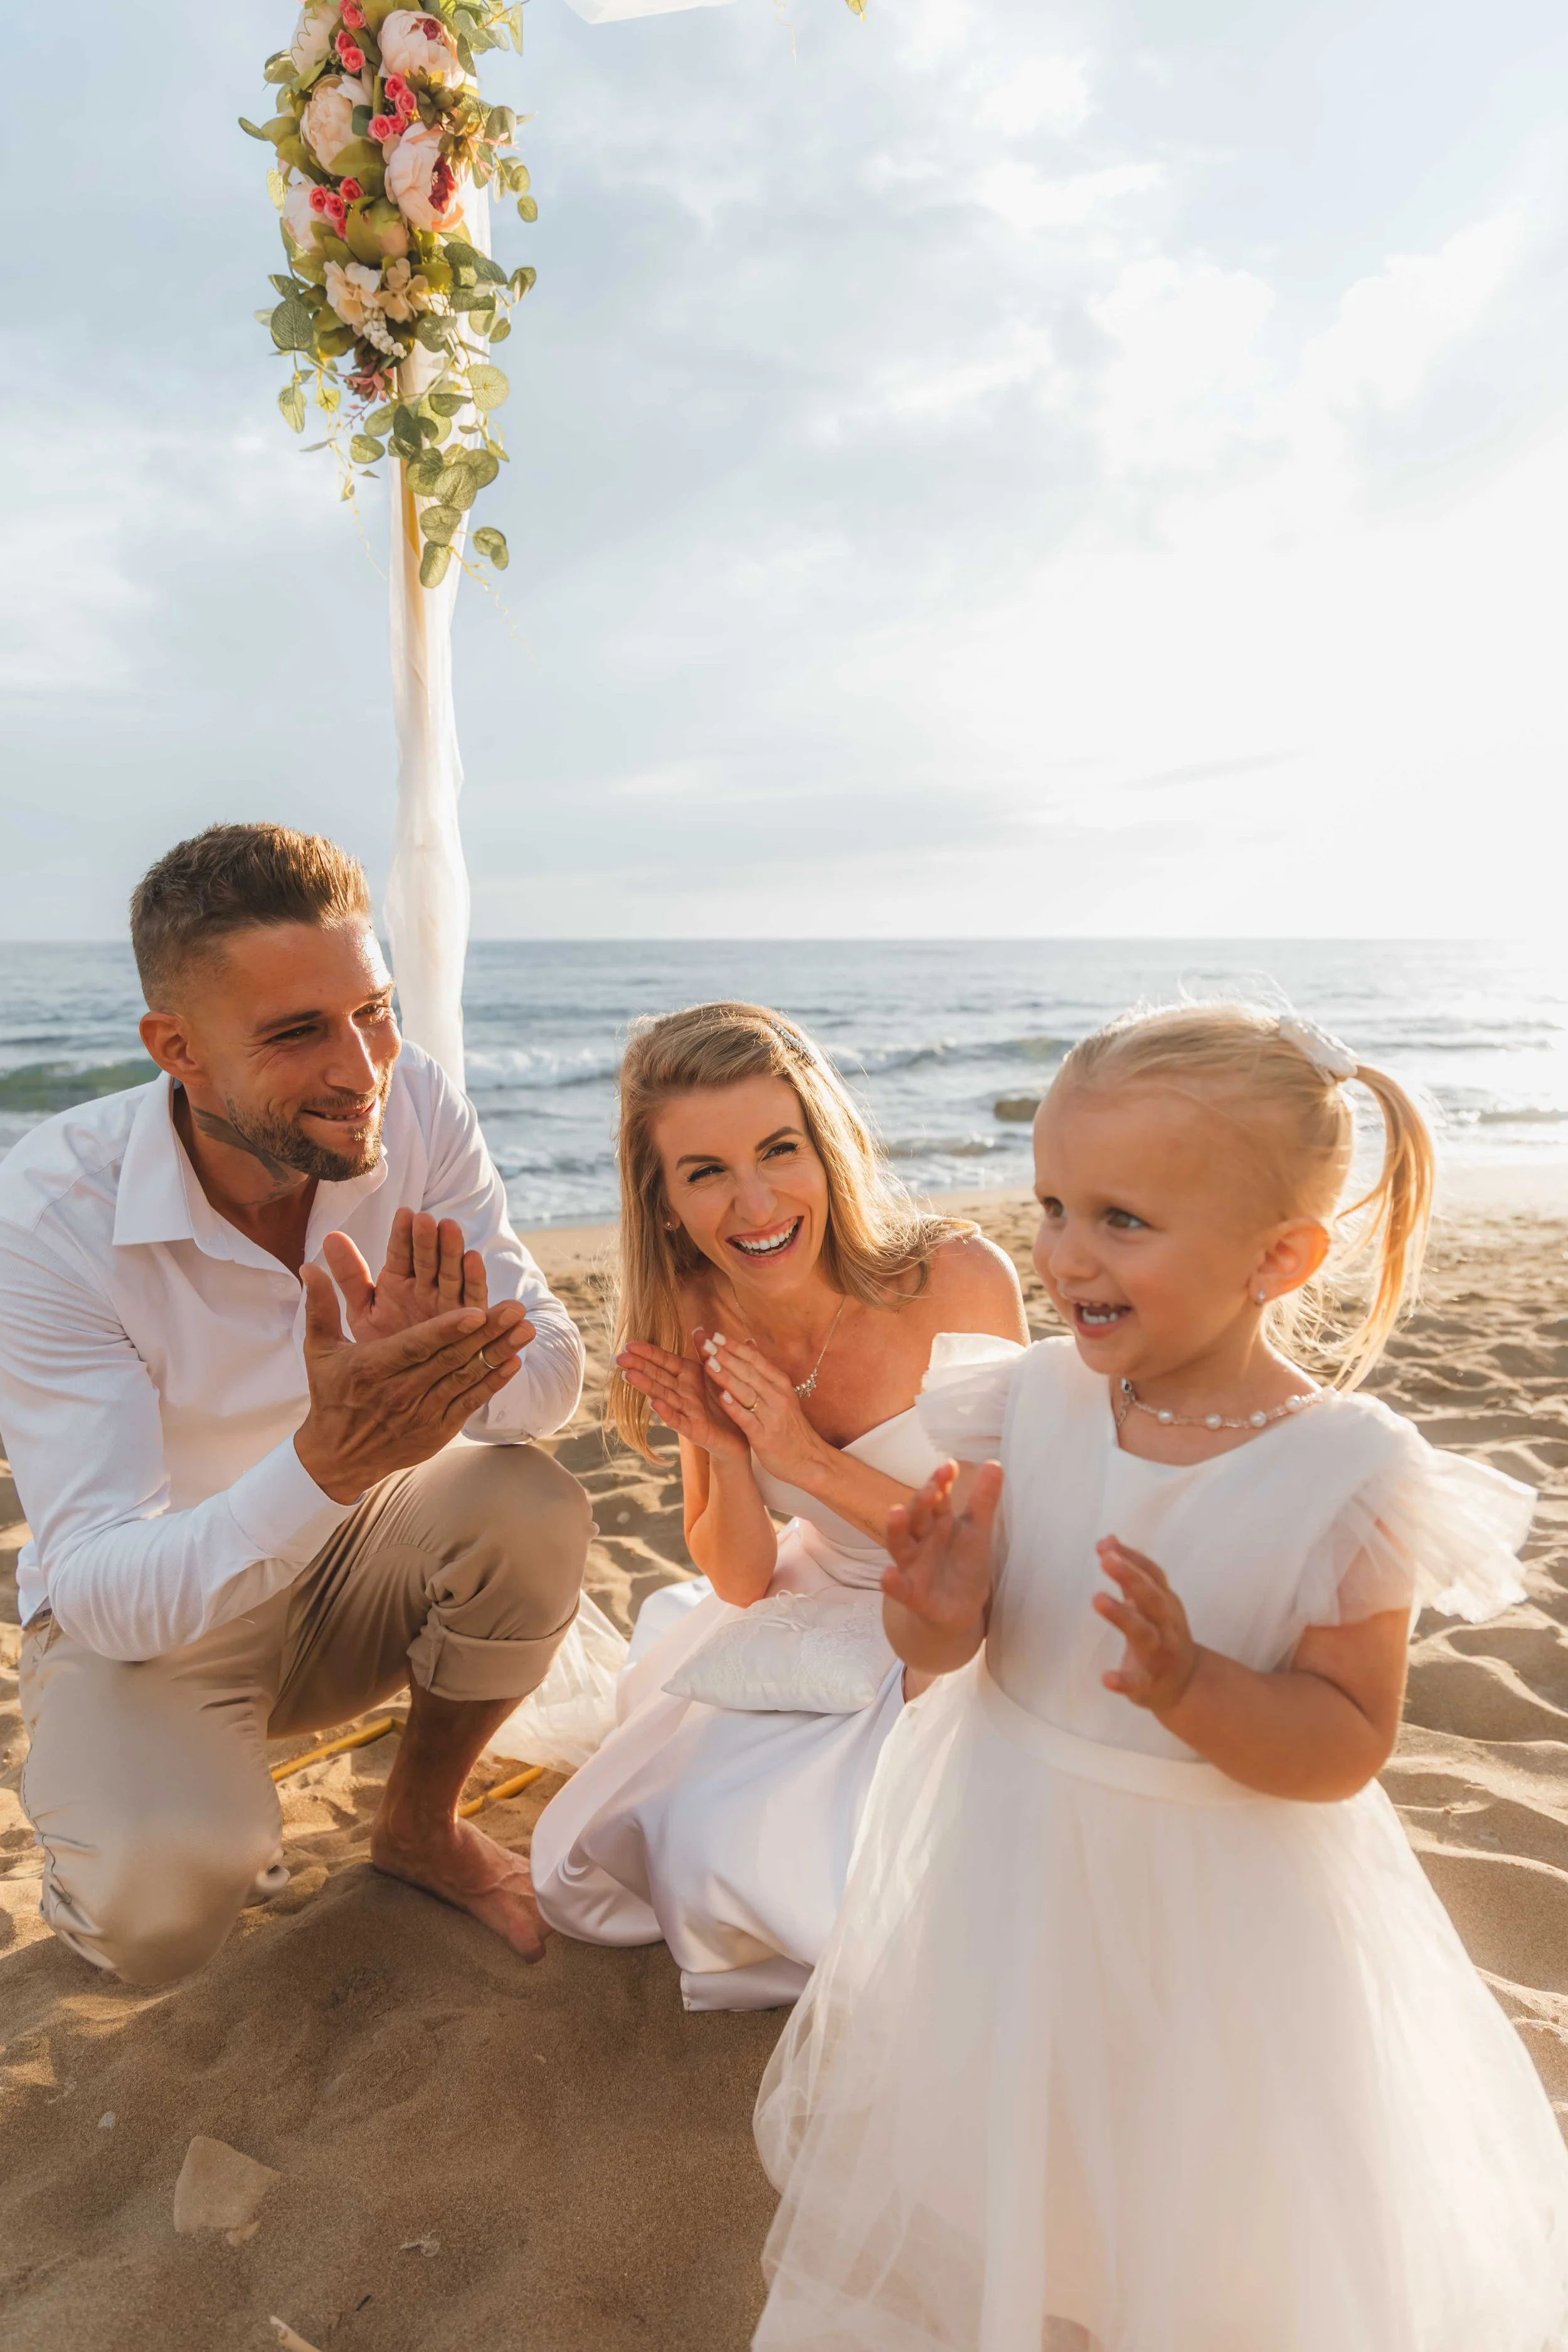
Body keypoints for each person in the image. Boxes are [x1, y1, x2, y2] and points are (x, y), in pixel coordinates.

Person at [753, 1002, 1568, 2351]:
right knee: (1025, 2154)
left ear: (1278, 1256)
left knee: (1204, 2200)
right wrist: (934, 1615)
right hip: (1010, 1857)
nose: (1064, 1254)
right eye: (1052, 1204)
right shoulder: (1032, 1397)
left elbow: (1345, 1743)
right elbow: (959, 1647)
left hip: (1220, 1916)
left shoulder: (1343, 1472)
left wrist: (1194, 1686)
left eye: (1120, 1222)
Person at [0, 824, 593, 1988]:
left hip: (354, 1562)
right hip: (155, 1616)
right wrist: (324, 1459)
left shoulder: (416, 1108)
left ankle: (418, 1822)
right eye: (297, 1032)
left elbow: (556, 1375)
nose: (364, 1068)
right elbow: (103, 1594)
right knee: (153, 1923)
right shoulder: (52, 1216)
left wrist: (440, 1365)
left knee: (531, 1505)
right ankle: (155, 1795)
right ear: (178, 1047)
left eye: (375, 1010)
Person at [529, 1002, 1027, 2011]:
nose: (755, 1203)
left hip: (975, 1612)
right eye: (705, 1171)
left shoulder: (957, 1279)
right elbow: (742, 1579)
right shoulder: (693, 1308)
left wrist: (801, 1456)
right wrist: (723, 1451)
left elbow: (997, 1545)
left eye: (778, 1150)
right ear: (664, 1200)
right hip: (815, 1602)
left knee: (880, 1874)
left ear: (826, 1148)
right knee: (694, 1838)